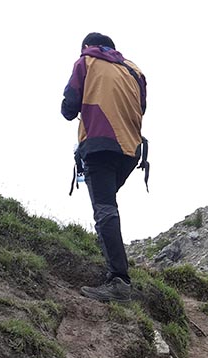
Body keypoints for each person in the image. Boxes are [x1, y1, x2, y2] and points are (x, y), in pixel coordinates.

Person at [61, 32, 147, 302]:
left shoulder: (85, 62)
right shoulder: (135, 70)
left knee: (105, 209)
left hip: (99, 145)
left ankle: (119, 281)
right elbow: (142, 107)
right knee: (106, 205)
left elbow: (68, 108)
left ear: (88, 47)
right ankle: (111, 259)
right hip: (131, 150)